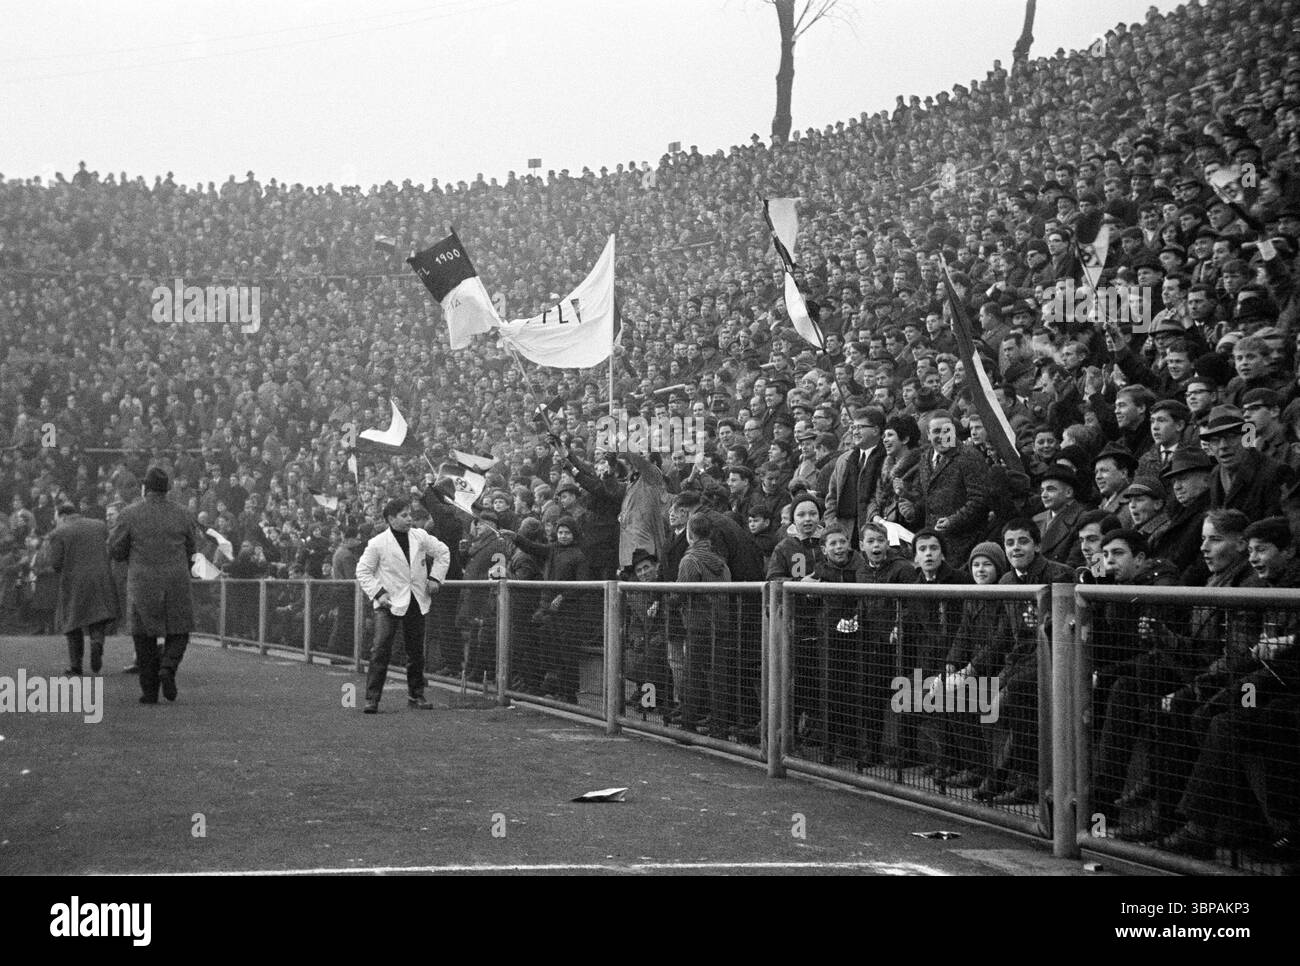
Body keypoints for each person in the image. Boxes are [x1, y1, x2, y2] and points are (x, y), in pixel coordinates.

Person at [108, 467, 198, 704]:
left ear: (145, 488)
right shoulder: (184, 513)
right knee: (179, 631)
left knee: (143, 636)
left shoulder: (128, 514)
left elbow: (116, 550)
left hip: (142, 582)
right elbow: (192, 549)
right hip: (176, 580)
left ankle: (149, 692)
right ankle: (168, 667)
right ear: (167, 489)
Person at [355, 498, 451, 714]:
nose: (409, 519)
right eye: (404, 515)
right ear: (391, 518)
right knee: (380, 649)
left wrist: (435, 578)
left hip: (416, 600)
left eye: (410, 515)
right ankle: (372, 699)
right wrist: (379, 593)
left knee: (416, 651)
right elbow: (362, 571)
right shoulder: (378, 543)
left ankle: (416, 695)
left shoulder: (420, 536)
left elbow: (443, 552)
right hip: (388, 603)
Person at [48, 501, 118, 675]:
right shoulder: (99, 525)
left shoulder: (59, 532)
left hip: (74, 581)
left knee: (72, 622)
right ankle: (97, 642)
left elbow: (56, 564)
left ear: (62, 516)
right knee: (98, 616)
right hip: (100, 578)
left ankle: (76, 665)